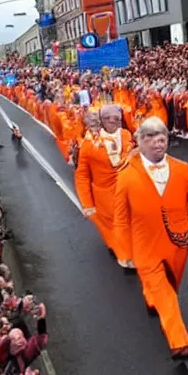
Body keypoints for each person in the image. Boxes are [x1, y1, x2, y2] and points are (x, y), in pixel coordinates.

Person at [114, 117, 188, 359]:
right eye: (154, 139)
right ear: (142, 141)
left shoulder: (181, 169)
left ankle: (152, 299)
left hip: (178, 243)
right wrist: (123, 253)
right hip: (145, 246)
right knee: (166, 295)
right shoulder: (126, 175)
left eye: (164, 139)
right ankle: (179, 342)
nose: (160, 144)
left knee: (171, 287)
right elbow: (120, 217)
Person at [74, 104, 134, 263]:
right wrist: (87, 203)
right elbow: (82, 175)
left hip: (127, 191)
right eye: (108, 118)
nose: (112, 121)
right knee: (113, 231)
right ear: (101, 120)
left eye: (116, 118)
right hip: (105, 196)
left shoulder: (126, 135)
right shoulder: (89, 143)